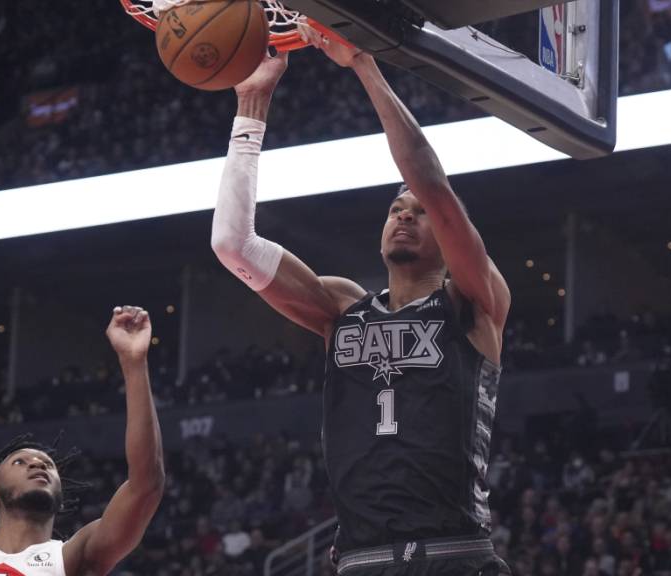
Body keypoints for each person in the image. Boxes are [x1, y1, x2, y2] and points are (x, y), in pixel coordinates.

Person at [210, 32, 511, 575]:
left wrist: (364, 66)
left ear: (450, 234)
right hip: (362, 559)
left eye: (419, 213)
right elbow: (233, 245)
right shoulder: (341, 309)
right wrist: (251, 108)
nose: (404, 215)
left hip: (454, 554)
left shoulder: (474, 300)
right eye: (396, 209)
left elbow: (431, 182)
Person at [0, 306, 165, 576]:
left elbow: (146, 485)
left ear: (60, 499)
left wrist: (134, 363)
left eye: (48, 465)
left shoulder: (73, 557)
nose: (37, 464)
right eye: (19, 461)